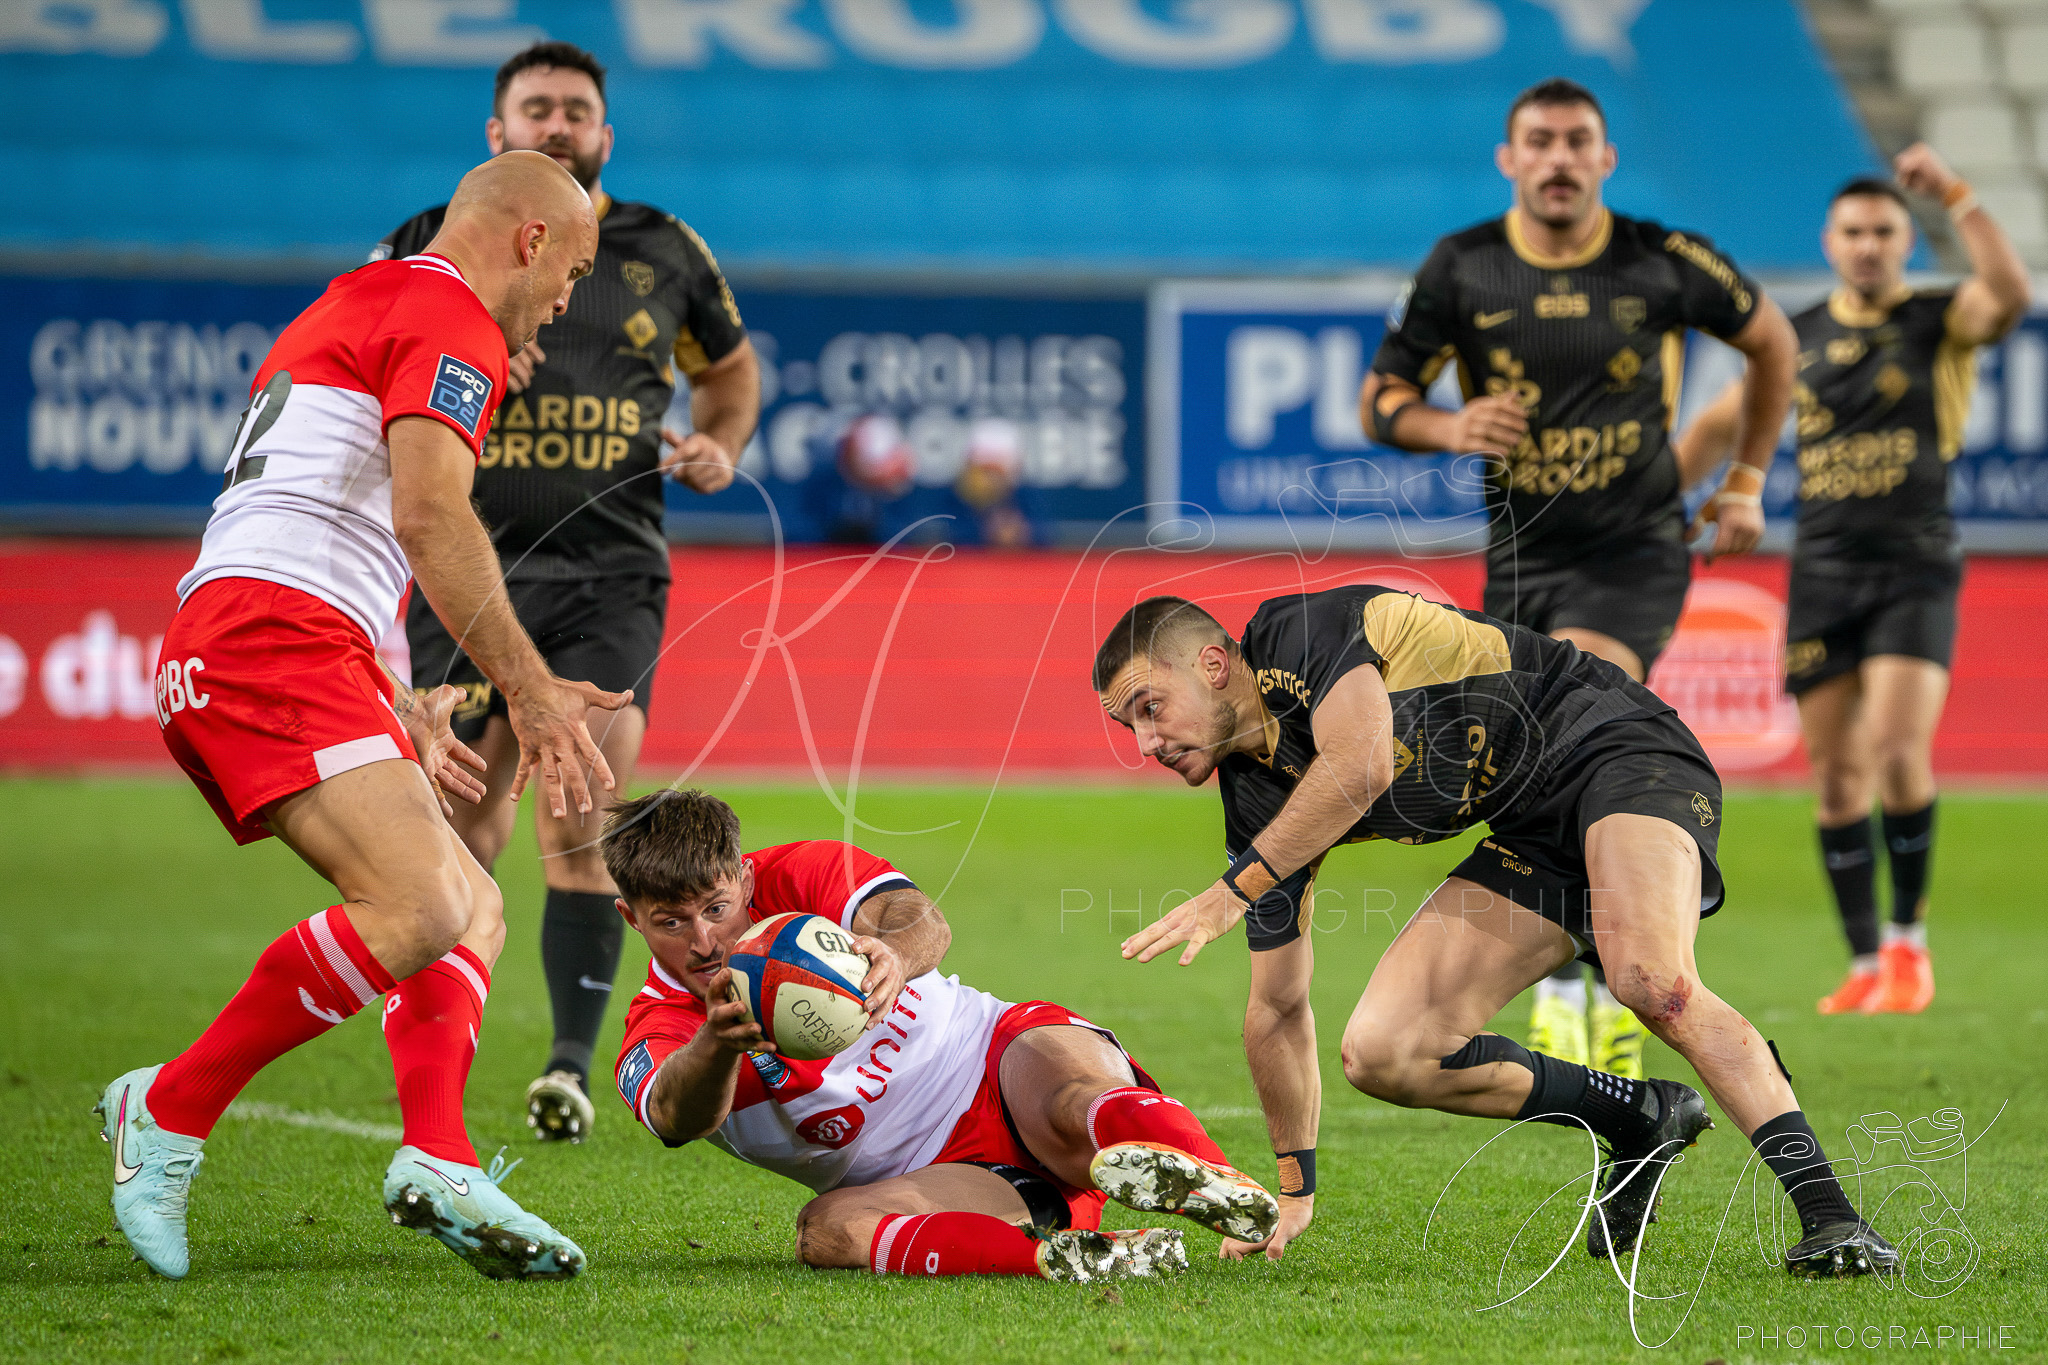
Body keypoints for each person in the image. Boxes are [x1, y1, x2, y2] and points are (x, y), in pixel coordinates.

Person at [100, 151, 622, 1282]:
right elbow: (428, 518)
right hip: (268, 642)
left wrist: (393, 689)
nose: (569, 299)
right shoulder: (450, 315)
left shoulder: (362, 296)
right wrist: (528, 693)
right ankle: (168, 1109)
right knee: (422, 902)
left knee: (472, 905)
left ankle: (436, 1155)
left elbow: (306, 505)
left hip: (274, 636)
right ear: (528, 240)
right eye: (574, 270)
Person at [1093, 590, 1898, 1277]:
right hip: (1533, 828)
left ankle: (1834, 1218)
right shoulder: (1258, 805)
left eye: (1149, 708)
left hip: (1614, 745)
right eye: (1130, 726)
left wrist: (1232, 890)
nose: (1146, 743)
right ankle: (1638, 1115)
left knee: (1649, 980)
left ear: (1210, 664)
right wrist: (1294, 1183)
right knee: (1385, 1049)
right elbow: (1276, 1007)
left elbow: (1363, 762)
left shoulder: (1295, 636)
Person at [1358, 77, 1799, 1081]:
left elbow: (1772, 342)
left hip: (1633, 549)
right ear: (1508, 160)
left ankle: (1585, 991)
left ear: (1604, 159)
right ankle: (1590, 967)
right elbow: (1378, 401)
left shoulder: (1662, 261)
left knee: (1582, 702)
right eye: (1538, 142)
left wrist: (1742, 482)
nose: (1557, 158)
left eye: (1576, 142)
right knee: (1526, 761)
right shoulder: (1460, 267)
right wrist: (1444, 425)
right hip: (1520, 558)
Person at [375, 41, 761, 1143]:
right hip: (468, 568)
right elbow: (362, 365)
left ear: (604, 133)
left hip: (610, 570)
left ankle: (567, 1068)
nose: (557, 124)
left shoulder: (662, 247)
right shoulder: (426, 245)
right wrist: (476, 349)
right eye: (534, 108)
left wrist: (720, 444)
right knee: (456, 823)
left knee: (578, 806)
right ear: (495, 136)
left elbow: (730, 370)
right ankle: (435, 1083)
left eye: (576, 110)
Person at [600, 789, 1281, 1282]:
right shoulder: (663, 1025)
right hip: (952, 1176)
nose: (704, 940)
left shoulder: (798, 873)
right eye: (670, 921)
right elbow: (672, 1115)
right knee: (826, 1230)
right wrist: (717, 1043)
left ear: (744, 876)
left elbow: (917, 916)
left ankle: (1224, 1184)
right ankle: (1071, 1258)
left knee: (1071, 1100)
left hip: (994, 1055)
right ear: (631, 917)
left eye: (717, 908)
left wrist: (893, 951)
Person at [1677, 146, 2030, 1016]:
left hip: (1915, 564)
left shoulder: (1940, 320)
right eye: (1854, 232)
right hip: (1824, 569)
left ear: (1907, 241)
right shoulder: (1794, 343)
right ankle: (1865, 960)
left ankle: (1911, 948)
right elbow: (1720, 424)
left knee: (1899, 751)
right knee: (1835, 776)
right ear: (1830, 243)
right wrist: (1651, 504)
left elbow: (2013, 296)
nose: (1869, 245)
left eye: (1885, 231)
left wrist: (1955, 192)